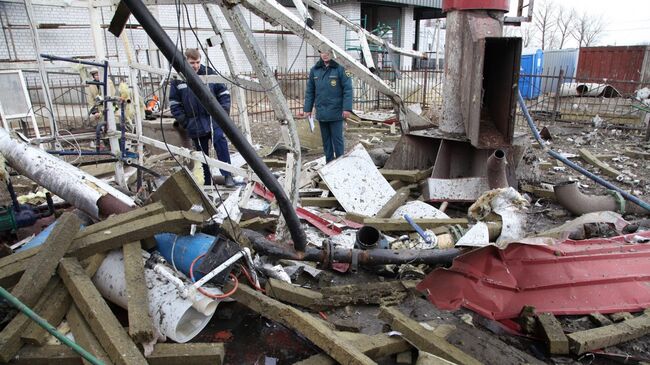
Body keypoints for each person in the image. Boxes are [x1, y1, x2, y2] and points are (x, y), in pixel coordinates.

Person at [170, 48, 234, 188]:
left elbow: (224, 94)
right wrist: (186, 122)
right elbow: (174, 104)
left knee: (221, 145)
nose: (196, 66)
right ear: (185, 61)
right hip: (194, 123)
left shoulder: (208, 73)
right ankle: (207, 180)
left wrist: (222, 115)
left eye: (198, 62)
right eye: (192, 62)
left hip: (213, 120)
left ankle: (227, 175)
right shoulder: (177, 78)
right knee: (202, 154)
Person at [302, 50, 353, 162]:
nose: (325, 54)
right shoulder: (315, 70)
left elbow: (348, 90)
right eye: (322, 52)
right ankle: (329, 162)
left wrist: (347, 108)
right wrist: (307, 109)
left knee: (337, 139)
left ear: (332, 52)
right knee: (326, 140)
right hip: (321, 112)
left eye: (327, 52)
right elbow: (310, 91)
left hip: (336, 112)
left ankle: (340, 162)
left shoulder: (341, 68)